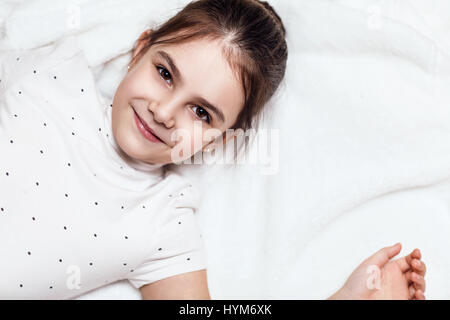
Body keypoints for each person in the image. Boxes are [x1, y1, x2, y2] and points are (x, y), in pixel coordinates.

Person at [0, 0, 426, 300]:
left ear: (220, 139)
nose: (164, 112)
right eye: (165, 73)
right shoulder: (52, 67)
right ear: (139, 50)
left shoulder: (164, 224)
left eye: (201, 113)